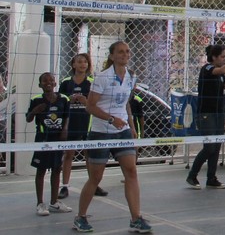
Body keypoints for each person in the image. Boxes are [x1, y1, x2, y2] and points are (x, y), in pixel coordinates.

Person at [73, 41, 152, 233]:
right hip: (101, 131)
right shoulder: (102, 77)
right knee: (96, 177)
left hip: (122, 130)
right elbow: (90, 106)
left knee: (131, 172)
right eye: (120, 52)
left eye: (127, 51)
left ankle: (135, 218)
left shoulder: (131, 77)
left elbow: (126, 104)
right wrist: (110, 119)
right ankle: (80, 217)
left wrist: (131, 127)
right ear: (112, 56)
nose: (125, 55)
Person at [186, 44, 225, 189]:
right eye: (223, 57)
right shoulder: (207, 69)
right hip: (206, 113)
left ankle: (211, 178)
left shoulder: (222, 74)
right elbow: (219, 70)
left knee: (217, 145)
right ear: (214, 57)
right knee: (209, 147)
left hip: (219, 112)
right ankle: (192, 175)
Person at [58, 53, 108, 199]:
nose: (82, 64)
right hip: (72, 123)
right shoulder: (66, 82)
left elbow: (95, 104)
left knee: (90, 156)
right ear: (73, 65)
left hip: (88, 123)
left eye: (85, 62)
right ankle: (64, 186)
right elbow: (60, 102)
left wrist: (84, 101)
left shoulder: (92, 82)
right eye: (79, 62)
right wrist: (70, 100)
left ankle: (94, 184)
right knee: (68, 155)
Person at [27, 72, 72, 216]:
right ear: (40, 85)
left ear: (55, 83)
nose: (48, 82)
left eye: (51, 80)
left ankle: (54, 202)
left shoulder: (63, 99)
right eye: (44, 81)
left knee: (57, 168)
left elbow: (66, 116)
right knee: (41, 170)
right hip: (42, 140)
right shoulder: (36, 100)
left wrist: (65, 130)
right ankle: (40, 203)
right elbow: (28, 119)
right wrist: (35, 111)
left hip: (58, 139)